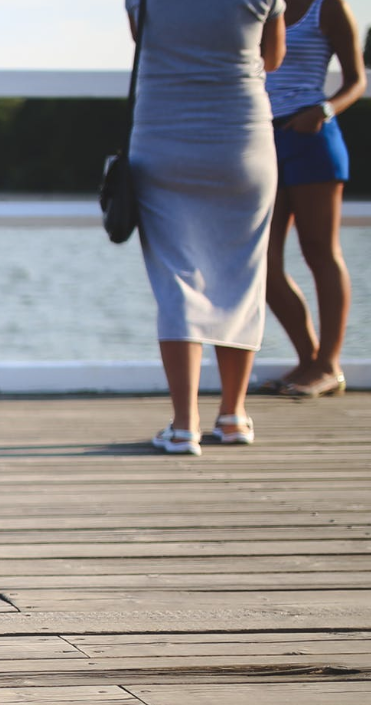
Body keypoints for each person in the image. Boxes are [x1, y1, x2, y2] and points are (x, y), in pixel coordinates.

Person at [127, 0, 287, 456]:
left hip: (163, 136)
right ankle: (234, 415)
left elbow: (144, 37)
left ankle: (183, 425)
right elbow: (272, 57)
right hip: (242, 136)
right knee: (241, 274)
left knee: (177, 277)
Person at [261, 0, 364, 398]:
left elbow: (356, 81)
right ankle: (308, 359)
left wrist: (323, 110)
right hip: (261, 139)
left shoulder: (330, 6)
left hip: (311, 138)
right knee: (262, 263)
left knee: (320, 251)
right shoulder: (259, 5)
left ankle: (328, 366)